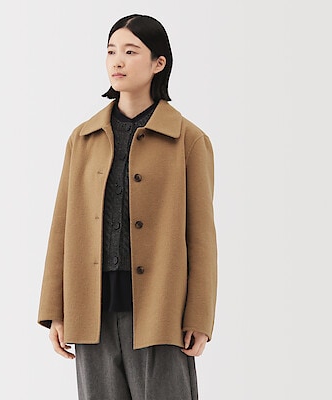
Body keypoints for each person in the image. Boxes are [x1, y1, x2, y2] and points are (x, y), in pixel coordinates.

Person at [37, 14, 218, 400]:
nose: (117, 61)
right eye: (111, 51)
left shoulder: (188, 140)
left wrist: (199, 316)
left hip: (162, 312)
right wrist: (55, 309)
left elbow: (201, 236)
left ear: (158, 63)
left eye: (131, 51)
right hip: (92, 311)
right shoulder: (82, 139)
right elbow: (62, 226)